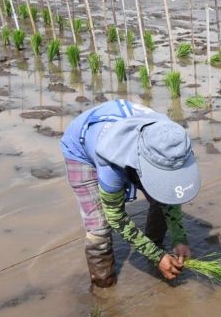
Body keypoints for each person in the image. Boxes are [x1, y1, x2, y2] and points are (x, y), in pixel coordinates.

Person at [60, 100, 201, 288]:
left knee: (162, 197)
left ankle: (156, 248)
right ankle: (104, 287)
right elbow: (115, 217)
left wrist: (179, 238)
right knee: (99, 228)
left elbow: (171, 195)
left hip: (130, 135)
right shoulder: (110, 160)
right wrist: (156, 255)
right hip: (81, 147)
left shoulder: (170, 140)